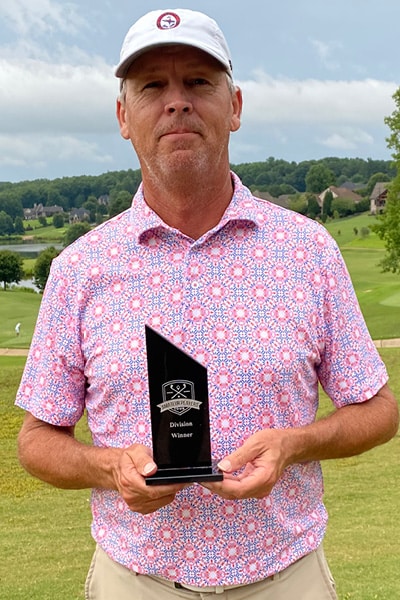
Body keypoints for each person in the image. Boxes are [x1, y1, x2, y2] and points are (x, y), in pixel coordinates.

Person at [15, 8, 399, 600]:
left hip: (286, 579)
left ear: (235, 105)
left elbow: (379, 410)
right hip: (135, 582)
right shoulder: (80, 269)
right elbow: (37, 439)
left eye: (198, 82)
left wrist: (294, 444)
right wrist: (109, 467)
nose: (176, 102)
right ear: (124, 115)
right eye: (152, 87)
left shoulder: (307, 250)